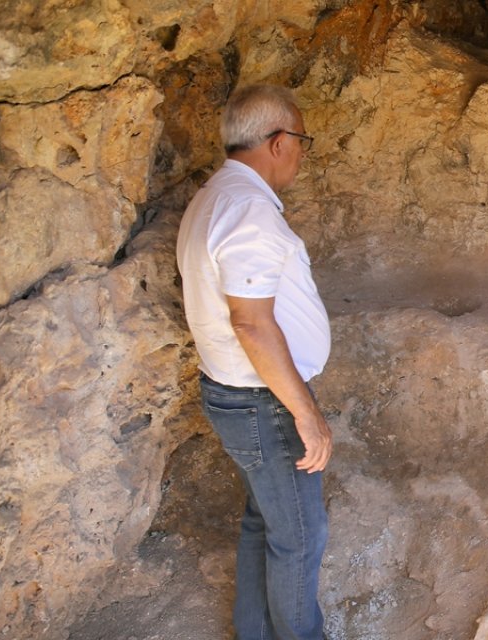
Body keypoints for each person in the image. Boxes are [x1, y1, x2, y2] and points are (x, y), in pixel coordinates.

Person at [176, 84, 332, 639]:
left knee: (263, 522)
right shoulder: (246, 210)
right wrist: (305, 414)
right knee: (300, 535)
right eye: (302, 141)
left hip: (243, 394)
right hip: (262, 402)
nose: (302, 153)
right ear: (277, 141)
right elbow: (251, 323)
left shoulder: (220, 196)